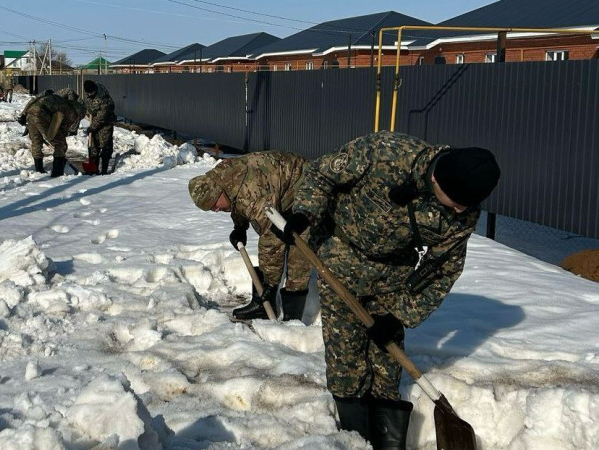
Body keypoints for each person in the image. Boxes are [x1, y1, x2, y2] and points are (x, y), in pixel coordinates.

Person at [286, 130, 500, 449]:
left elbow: (442, 268)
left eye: (465, 206)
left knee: (386, 362)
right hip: (340, 257)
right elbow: (321, 174)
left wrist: (399, 315)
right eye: (455, 203)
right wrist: (305, 212)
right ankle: (356, 437)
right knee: (346, 357)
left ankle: (388, 441)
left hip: (394, 273)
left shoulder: (464, 212)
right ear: (437, 180)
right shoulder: (385, 153)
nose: (459, 212)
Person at [187, 151, 312, 322]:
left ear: (218, 193)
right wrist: (240, 227)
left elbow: (271, 238)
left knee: (298, 253)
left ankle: (293, 322)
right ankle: (264, 307)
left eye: (214, 204)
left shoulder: (253, 196)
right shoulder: (222, 178)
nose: (215, 210)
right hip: (278, 190)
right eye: (210, 208)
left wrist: (269, 283)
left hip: (306, 190)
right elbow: (236, 200)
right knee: (276, 244)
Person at [17, 89, 83, 177]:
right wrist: (61, 139)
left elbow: (33, 100)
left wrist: (23, 115)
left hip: (31, 113)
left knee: (36, 141)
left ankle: (39, 170)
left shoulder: (57, 98)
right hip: (42, 115)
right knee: (60, 144)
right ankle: (57, 173)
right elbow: (63, 127)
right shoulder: (71, 110)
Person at [83, 79, 116, 175]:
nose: (89, 95)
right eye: (88, 93)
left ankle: (104, 170)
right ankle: (94, 169)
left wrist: (92, 127)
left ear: (95, 90)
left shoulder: (103, 99)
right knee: (93, 145)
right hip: (95, 121)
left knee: (105, 145)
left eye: (91, 93)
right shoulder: (91, 94)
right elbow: (91, 107)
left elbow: (102, 116)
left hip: (106, 123)